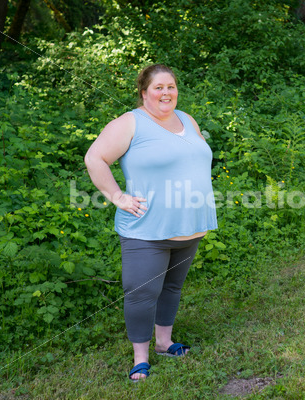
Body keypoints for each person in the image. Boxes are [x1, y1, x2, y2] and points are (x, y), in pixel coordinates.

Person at [84, 64, 218, 382]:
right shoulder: (131, 123)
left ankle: (164, 342)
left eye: (170, 86)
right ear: (144, 93)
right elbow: (94, 158)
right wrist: (118, 197)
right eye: (158, 87)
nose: (166, 93)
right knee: (142, 293)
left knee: (171, 288)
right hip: (147, 230)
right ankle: (140, 358)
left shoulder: (187, 119)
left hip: (190, 225)